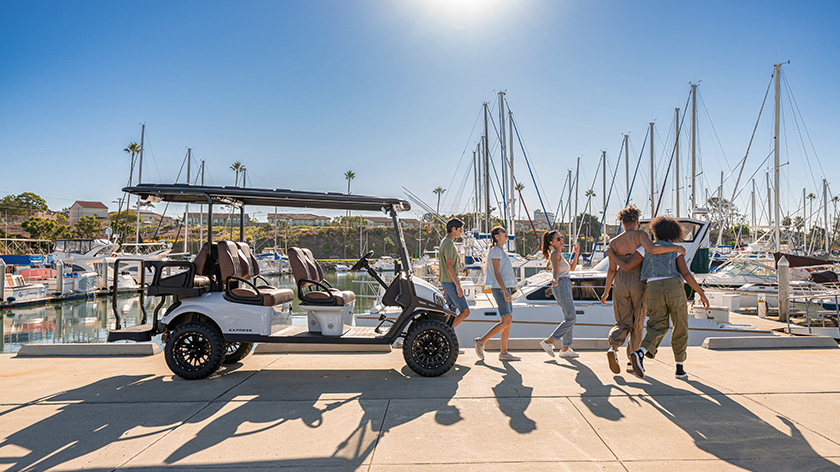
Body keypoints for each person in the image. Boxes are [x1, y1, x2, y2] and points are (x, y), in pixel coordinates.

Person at [609, 216, 709, 380]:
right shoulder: (677, 249)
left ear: (655, 231)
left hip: (653, 288)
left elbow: (628, 266)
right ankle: (679, 368)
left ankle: (640, 353)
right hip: (674, 286)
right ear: (674, 232)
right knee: (680, 325)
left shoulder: (644, 248)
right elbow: (685, 273)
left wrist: (612, 254)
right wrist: (700, 293)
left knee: (657, 325)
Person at [601, 205, 685, 375]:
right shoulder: (640, 235)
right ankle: (632, 362)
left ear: (622, 222)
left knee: (622, 321)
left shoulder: (613, 242)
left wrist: (606, 290)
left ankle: (614, 347)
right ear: (636, 222)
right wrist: (677, 248)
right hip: (638, 280)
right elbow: (652, 249)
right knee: (638, 321)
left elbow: (611, 270)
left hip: (620, 280)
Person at [474, 226, 520, 361]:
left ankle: (504, 353)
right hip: (500, 289)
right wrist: (505, 291)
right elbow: (496, 272)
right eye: (503, 232)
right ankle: (481, 342)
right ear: (497, 237)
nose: (506, 233)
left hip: (505, 288)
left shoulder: (500, 251)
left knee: (508, 321)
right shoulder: (495, 251)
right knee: (506, 320)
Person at [538, 230, 581, 359]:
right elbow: (556, 272)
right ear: (552, 243)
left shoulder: (561, 254)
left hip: (566, 283)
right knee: (571, 318)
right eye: (558, 239)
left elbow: (572, 268)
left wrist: (577, 253)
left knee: (569, 317)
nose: (561, 240)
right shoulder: (555, 254)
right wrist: (555, 280)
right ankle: (548, 342)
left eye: (561, 238)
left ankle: (565, 348)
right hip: (561, 284)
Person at [439, 218, 471, 327]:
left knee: (450, 313)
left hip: (447, 281)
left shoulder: (445, 241)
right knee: (465, 311)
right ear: (453, 229)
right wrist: (458, 285)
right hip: (450, 282)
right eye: (460, 229)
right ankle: (446, 332)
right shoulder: (449, 243)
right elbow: (448, 265)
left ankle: (445, 333)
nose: (461, 232)